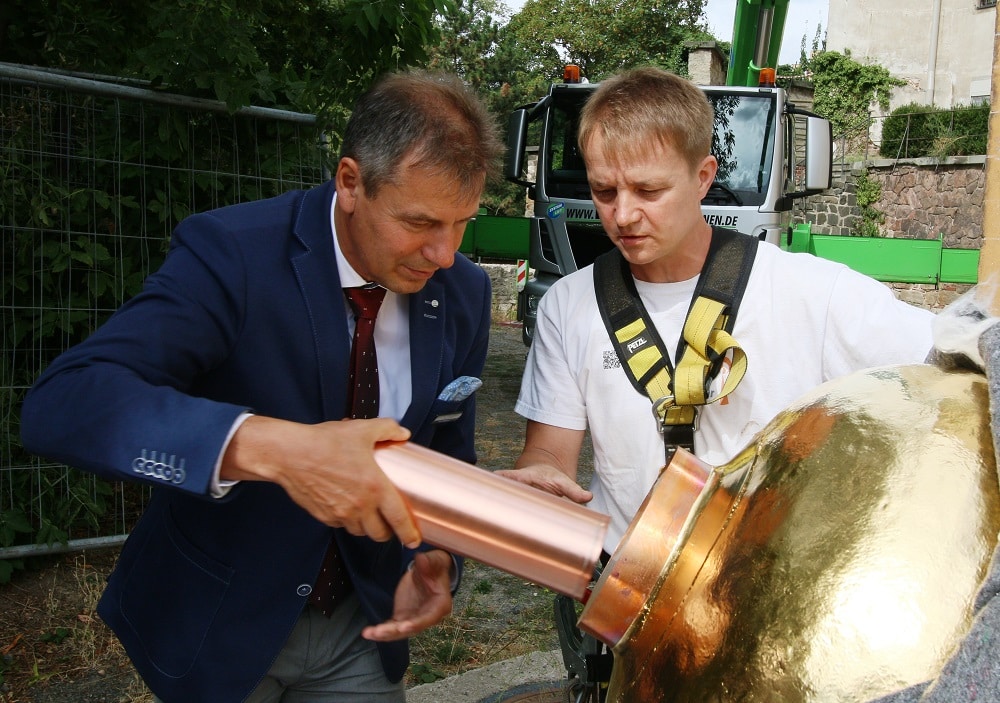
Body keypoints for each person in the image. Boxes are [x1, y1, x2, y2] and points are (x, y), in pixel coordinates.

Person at [20, 69, 503, 703]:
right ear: (350, 182)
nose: (444, 253)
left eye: (462, 222)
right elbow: (65, 402)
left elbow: (446, 454)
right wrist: (275, 449)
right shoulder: (233, 254)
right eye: (420, 222)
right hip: (220, 625)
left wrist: (435, 556)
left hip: (363, 630)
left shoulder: (463, 292)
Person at [499, 65, 935, 560]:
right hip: (627, 598)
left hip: (760, 598)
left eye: (648, 191)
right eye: (604, 191)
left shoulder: (811, 293)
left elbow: (956, 355)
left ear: (703, 177)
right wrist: (543, 479)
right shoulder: (568, 304)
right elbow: (550, 451)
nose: (622, 215)